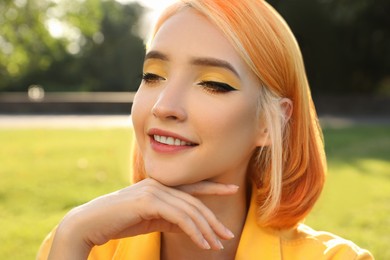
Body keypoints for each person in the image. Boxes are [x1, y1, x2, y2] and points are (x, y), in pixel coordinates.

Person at [37, 0, 373, 259]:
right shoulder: (80, 244)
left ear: (270, 123)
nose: (163, 106)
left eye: (213, 83)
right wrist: (71, 235)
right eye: (153, 75)